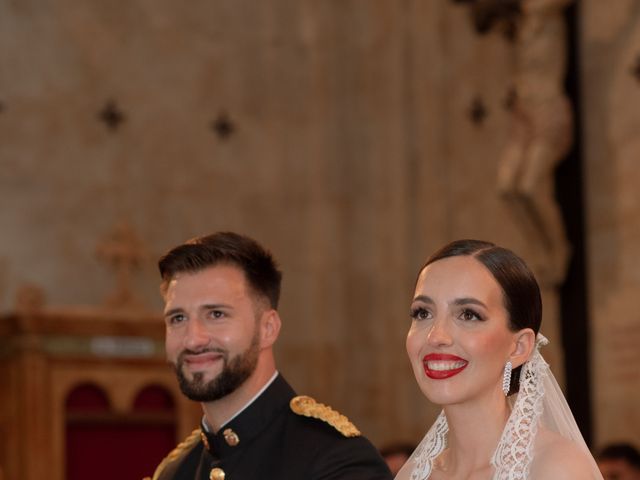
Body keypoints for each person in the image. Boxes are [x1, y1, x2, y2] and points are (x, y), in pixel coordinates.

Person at [145, 232, 392, 480]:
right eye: (178, 318)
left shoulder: (338, 461)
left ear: (268, 328)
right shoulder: (174, 472)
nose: (193, 339)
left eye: (216, 314)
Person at [394, 239, 603, 479]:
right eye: (423, 313)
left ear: (519, 347)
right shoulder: (412, 475)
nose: (436, 336)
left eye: (468, 314)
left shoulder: (557, 469)